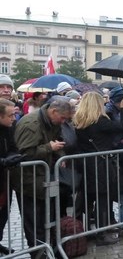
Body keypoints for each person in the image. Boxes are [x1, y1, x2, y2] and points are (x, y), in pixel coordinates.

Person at [14, 97, 73, 256]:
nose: (63, 122)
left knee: (47, 220)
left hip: (45, 179)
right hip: (29, 182)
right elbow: (24, 154)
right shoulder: (31, 125)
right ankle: (38, 254)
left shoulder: (52, 122)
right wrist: (49, 147)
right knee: (34, 223)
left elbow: (58, 141)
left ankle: (48, 250)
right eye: (62, 118)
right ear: (53, 111)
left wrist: (59, 154)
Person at [73, 92, 123, 245]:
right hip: (100, 165)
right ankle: (101, 233)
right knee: (102, 200)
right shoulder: (100, 121)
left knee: (88, 199)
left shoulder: (79, 121)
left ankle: (86, 232)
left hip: (85, 164)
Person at [0, 99, 22, 255]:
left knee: (3, 215)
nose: (14, 119)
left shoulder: (9, 128)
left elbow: (14, 147)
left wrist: (13, 157)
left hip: (4, 180)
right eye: (10, 115)